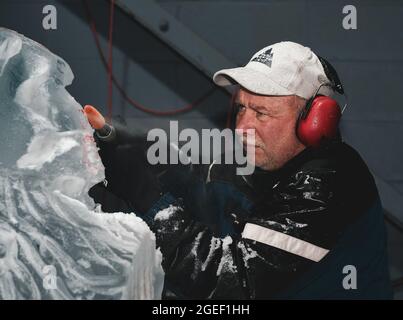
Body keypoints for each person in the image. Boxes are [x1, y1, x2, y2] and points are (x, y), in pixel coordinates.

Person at [84, 41, 393, 299]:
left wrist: (149, 197)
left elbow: (232, 281)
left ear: (314, 121)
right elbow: (206, 183)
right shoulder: (269, 160)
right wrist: (149, 153)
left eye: (261, 113)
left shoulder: (330, 182)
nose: (243, 127)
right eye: (242, 108)